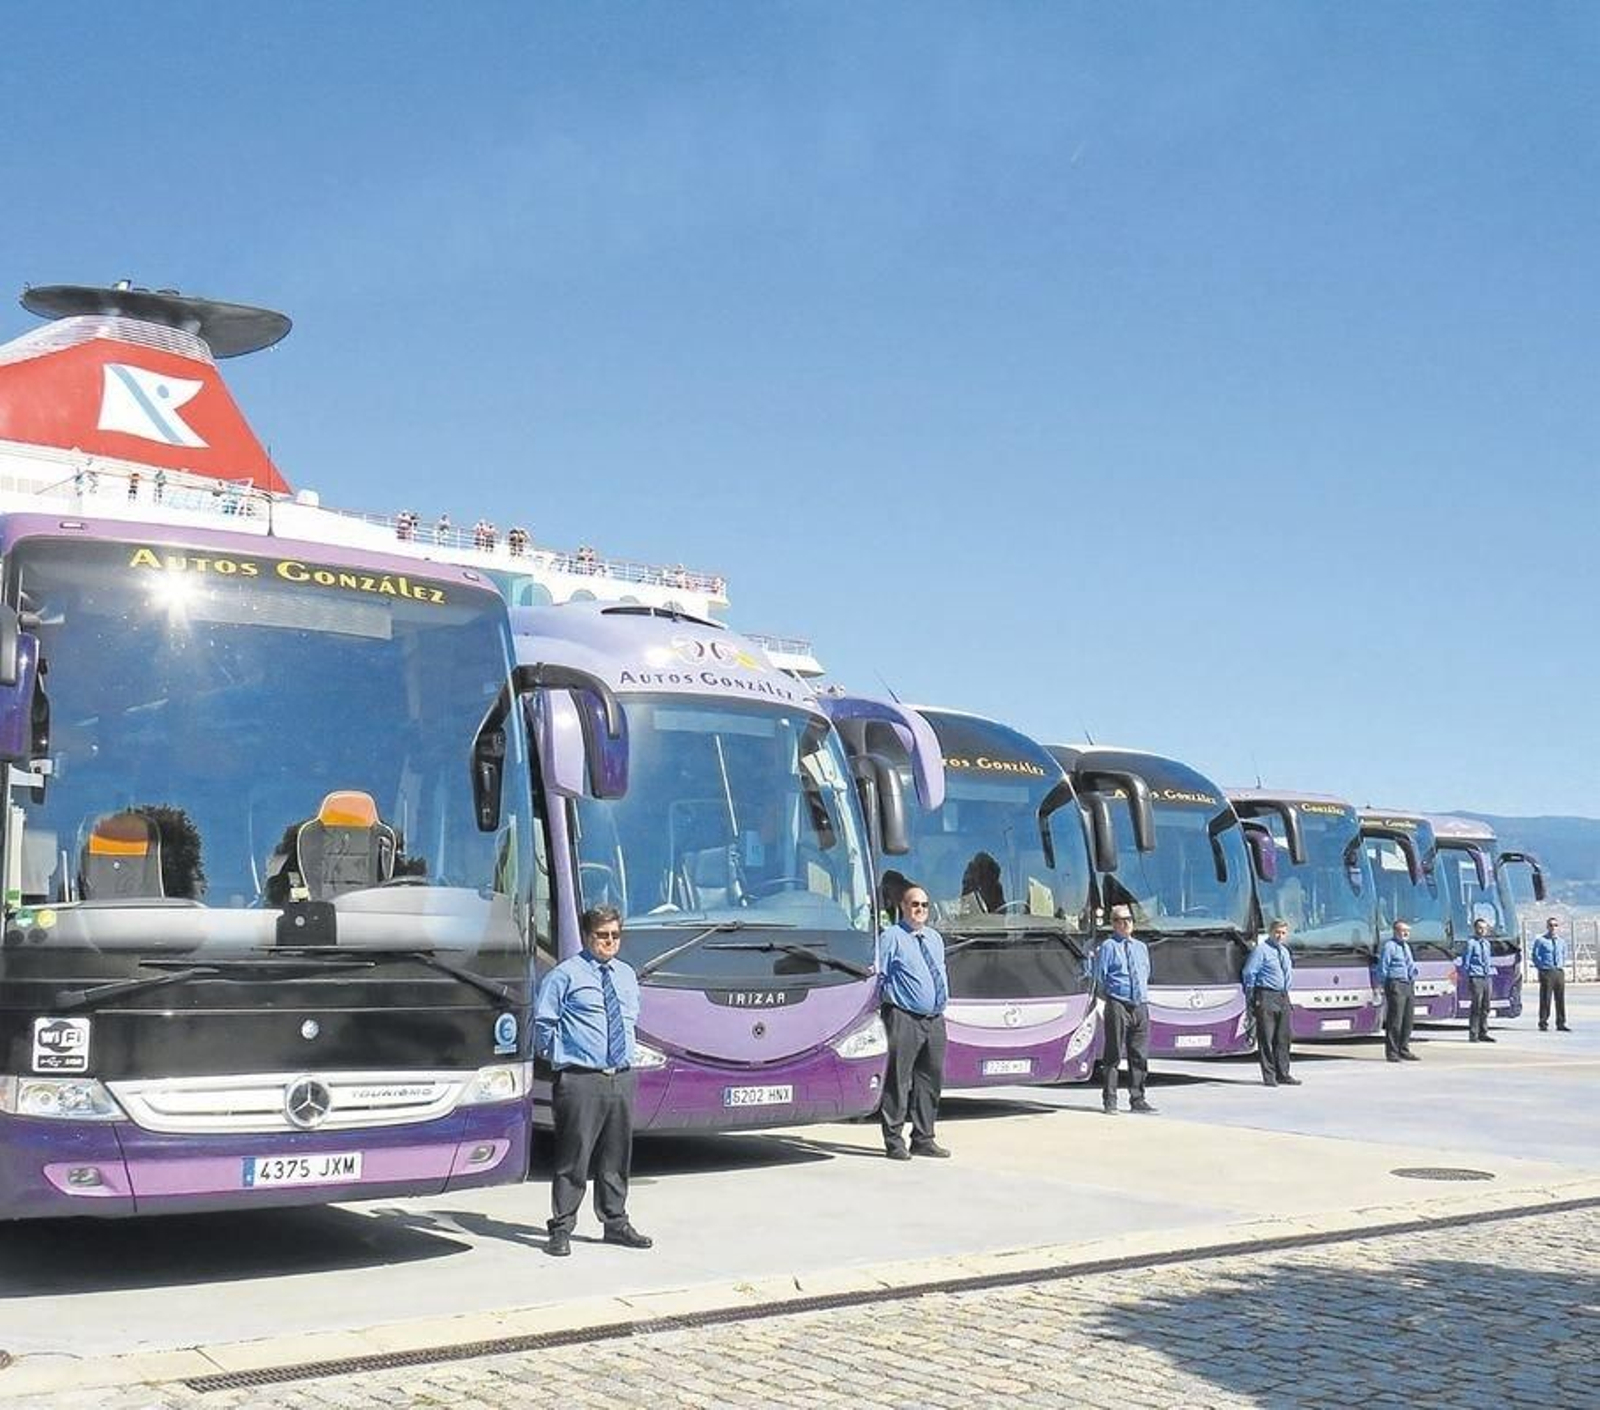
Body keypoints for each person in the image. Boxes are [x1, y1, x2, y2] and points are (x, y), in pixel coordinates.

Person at [534, 905, 652, 1257]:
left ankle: (615, 1223)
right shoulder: (565, 975)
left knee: (616, 1157)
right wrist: (563, 1060)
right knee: (574, 1158)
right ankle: (561, 1228)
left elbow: (630, 1020)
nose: (610, 942)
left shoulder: (626, 975)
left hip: (621, 1077)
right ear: (588, 937)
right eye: (603, 936)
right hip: (580, 1079)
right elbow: (543, 1025)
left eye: (615, 935)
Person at [876, 882, 951, 1160]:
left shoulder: (933, 937)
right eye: (914, 904)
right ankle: (894, 1141)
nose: (920, 909)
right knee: (898, 1079)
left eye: (924, 905)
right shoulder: (892, 937)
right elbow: (878, 977)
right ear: (903, 908)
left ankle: (924, 1137)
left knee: (930, 1081)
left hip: (934, 1020)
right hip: (903, 1017)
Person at [1092, 906, 1156, 1114]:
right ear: (1114, 923)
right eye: (1121, 920)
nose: (1126, 923)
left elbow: (1146, 973)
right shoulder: (1109, 947)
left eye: (1129, 919)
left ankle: (1137, 1098)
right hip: (1118, 1003)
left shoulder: (1140, 947)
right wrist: (1107, 1000)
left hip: (1140, 1004)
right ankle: (1110, 1099)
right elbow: (1099, 977)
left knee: (1139, 1054)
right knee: (1113, 1054)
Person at [1243, 918, 1300, 1085]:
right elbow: (1249, 972)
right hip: (1266, 995)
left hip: (1283, 996)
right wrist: (1252, 995)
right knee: (1267, 1038)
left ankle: (1284, 1073)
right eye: (1277, 932)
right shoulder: (1261, 951)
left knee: (1283, 1038)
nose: (1280, 936)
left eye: (1283, 933)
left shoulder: (1284, 951)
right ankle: (1269, 1076)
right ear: (1270, 932)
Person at [1378, 920, 1420, 1062]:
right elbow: (1383, 966)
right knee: (1395, 1020)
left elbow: (1410, 964)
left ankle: (1404, 1049)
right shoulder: (1390, 946)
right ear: (1396, 931)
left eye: (1408, 931)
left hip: (1408, 983)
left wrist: (1414, 976)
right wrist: (1383, 985)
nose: (1406, 933)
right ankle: (1392, 1052)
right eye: (1403, 931)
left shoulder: (1406, 947)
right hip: (1395, 984)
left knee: (1408, 1019)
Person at [1455, 917, 1497, 1042]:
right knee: (1476, 1006)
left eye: (1484, 928)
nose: (1482, 930)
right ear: (1475, 929)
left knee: (1486, 1006)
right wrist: (1468, 976)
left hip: (1487, 976)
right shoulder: (1471, 943)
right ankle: (1473, 1033)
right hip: (1476, 976)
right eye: (1480, 928)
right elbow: (1465, 962)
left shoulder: (1487, 944)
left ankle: (1483, 1032)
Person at [1532, 916, 1570, 1032]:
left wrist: (1561, 965)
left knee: (1560, 999)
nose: (1553, 927)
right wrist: (1542, 967)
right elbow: (1535, 956)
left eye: (1555, 925)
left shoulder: (1561, 942)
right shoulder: (1541, 941)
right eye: (1551, 925)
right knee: (1545, 998)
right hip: (1546, 972)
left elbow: (1564, 954)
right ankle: (1543, 1022)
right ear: (1547, 927)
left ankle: (1561, 1022)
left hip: (1558, 971)